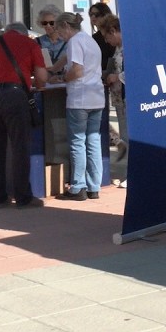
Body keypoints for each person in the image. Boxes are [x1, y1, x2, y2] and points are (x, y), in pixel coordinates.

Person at [0, 20, 49, 208]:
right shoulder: (31, 44)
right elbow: (42, 77)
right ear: (24, 33)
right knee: (20, 147)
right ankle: (22, 196)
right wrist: (37, 86)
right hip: (15, 95)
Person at [53, 12, 106, 201]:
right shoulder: (90, 40)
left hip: (80, 97)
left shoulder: (74, 41)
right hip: (96, 97)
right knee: (93, 141)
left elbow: (76, 70)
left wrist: (62, 78)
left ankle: (77, 186)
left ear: (66, 26)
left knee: (77, 142)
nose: (59, 36)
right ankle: (94, 186)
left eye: (59, 31)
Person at [96, 14, 128, 165]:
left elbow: (138, 70)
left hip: (128, 96)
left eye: (106, 36)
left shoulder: (129, 46)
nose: (106, 41)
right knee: (125, 133)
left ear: (114, 31)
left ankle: (132, 173)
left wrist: (117, 77)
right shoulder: (118, 48)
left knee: (129, 134)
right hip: (119, 97)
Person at [35, 4, 67, 74]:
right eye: (44, 23)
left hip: (65, 80)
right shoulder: (37, 42)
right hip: (45, 81)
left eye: (52, 23)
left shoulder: (68, 41)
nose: (48, 26)